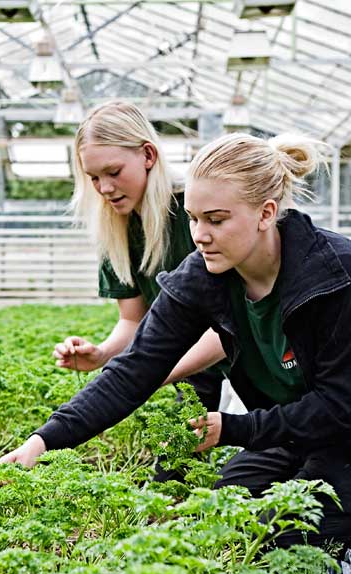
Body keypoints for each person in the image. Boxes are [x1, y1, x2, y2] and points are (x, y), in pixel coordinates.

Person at [0, 132, 351, 556]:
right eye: (195, 218)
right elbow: (135, 370)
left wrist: (234, 429)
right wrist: (43, 441)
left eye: (216, 220)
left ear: (266, 213)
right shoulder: (205, 274)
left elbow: (339, 406)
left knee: (281, 533)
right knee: (218, 512)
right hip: (300, 430)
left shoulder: (336, 272)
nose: (199, 235)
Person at [55, 100, 226, 410]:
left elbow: (230, 327)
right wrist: (102, 354)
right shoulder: (116, 229)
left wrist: (147, 374)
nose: (105, 188)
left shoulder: (196, 211)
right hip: (191, 377)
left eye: (114, 172)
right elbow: (133, 320)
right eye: (93, 177)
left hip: (247, 369)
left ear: (148, 155)